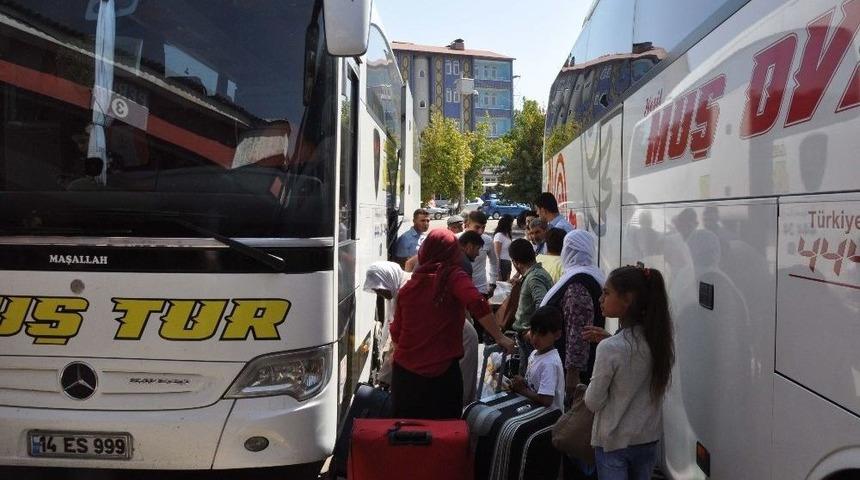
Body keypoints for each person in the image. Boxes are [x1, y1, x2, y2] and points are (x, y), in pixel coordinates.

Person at [390, 229, 515, 420]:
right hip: (440, 377)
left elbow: (396, 333)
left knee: (406, 438)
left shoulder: (409, 287)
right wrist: (499, 336)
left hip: (405, 377)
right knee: (443, 437)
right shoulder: (452, 276)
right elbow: (477, 303)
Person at [585, 265, 675, 480]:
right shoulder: (659, 341)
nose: (601, 299)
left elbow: (593, 401)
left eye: (606, 293)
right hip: (648, 439)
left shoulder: (610, 348)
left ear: (628, 299)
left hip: (614, 443)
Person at [539, 230, 606, 399]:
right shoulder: (584, 275)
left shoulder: (578, 283)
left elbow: (579, 331)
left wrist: (572, 374)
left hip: (568, 369)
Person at [362, 261, 410, 386]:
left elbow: (403, 335)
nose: (380, 294)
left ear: (388, 279)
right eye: (377, 291)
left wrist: (385, 376)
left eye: (380, 289)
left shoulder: (406, 290)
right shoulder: (395, 289)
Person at [510, 305, 566, 411]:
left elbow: (546, 400)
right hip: (534, 409)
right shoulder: (535, 353)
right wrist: (524, 383)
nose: (535, 338)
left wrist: (522, 390)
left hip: (548, 419)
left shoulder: (549, 363)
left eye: (542, 334)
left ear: (557, 335)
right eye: (533, 332)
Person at [508, 238, 553, 360]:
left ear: (515, 262)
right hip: (530, 337)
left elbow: (542, 305)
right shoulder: (535, 274)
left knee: (528, 375)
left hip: (530, 338)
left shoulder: (534, 278)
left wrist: (533, 332)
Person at [458, 211, 499, 299]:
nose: (480, 231)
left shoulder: (488, 240)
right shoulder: (455, 239)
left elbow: (494, 262)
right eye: (477, 227)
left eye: (483, 227)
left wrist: (493, 283)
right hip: (460, 288)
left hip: (480, 289)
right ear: (467, 224)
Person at [493, 214, 514, 281]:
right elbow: (497, 255)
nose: (512, 225)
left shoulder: (507, 235)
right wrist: (498, 272)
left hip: (507, 263)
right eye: (511, 223)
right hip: (502, 264)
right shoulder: (499, 235)